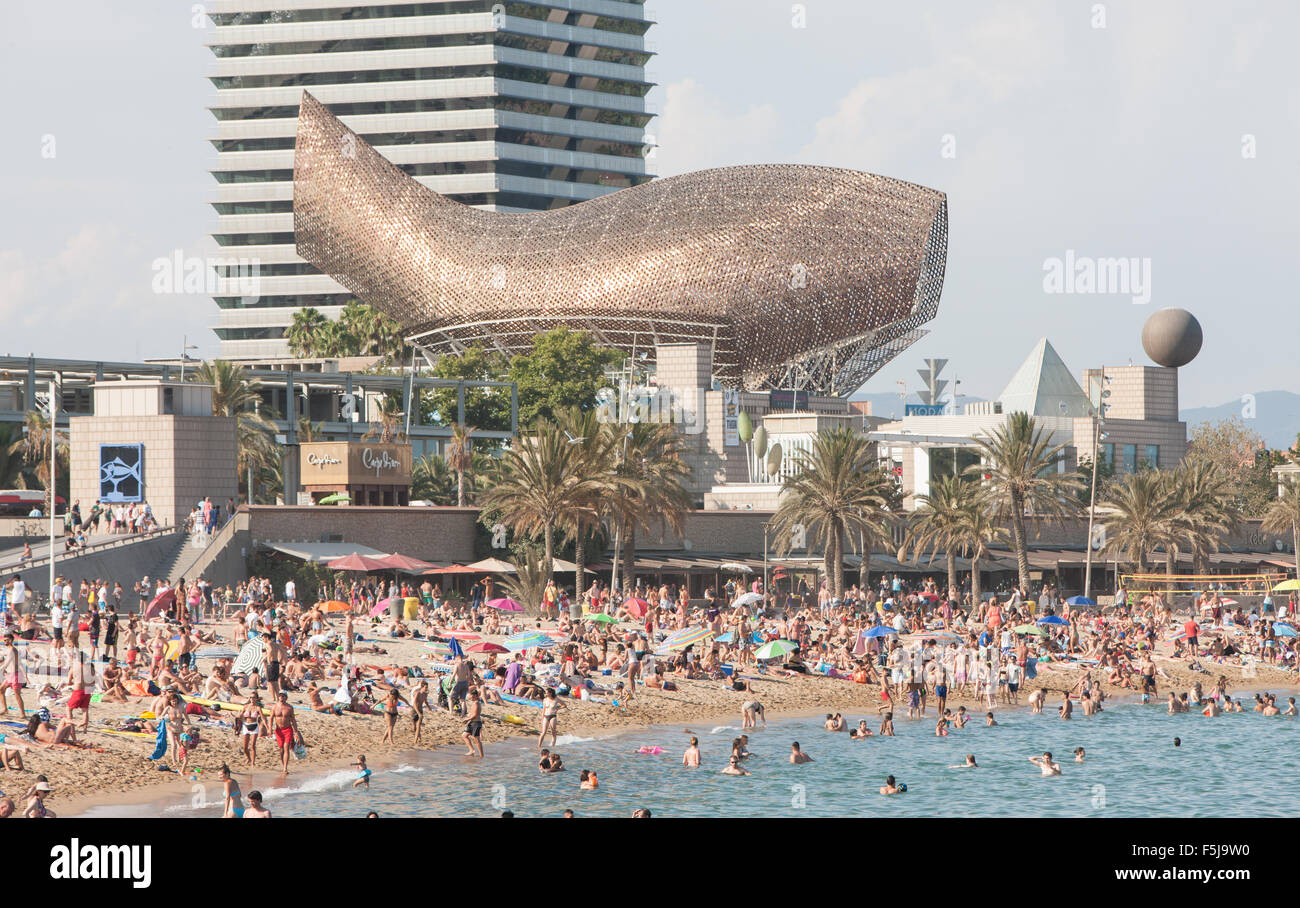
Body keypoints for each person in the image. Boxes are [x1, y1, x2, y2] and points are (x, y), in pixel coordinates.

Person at [270, 692, 302, 775]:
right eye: (280, 696)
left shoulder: (289, 707)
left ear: (286, 697)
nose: (281, 697)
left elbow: (293, 720)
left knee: (286, 747)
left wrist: (296, 732)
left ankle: (285, 768)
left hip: (288, 729)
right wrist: (269, 729)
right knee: (281, 749)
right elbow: (270, 718)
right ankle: (283, 764)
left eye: (283, 696)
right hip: (278, 730)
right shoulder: (274, 707)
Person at [462, 688, 484, 757]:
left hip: (476, 723)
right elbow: (473, 713)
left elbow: (475, 715)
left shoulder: (477, 703)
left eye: (472, 696)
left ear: (476, 696)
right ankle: (472, 750)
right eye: (471, 696)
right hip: (472, 723)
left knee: (476, 739)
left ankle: (481, 755)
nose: (471, 698)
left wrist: (467, 719)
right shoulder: (475, 703)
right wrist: (468, 716)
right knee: (464, 735)